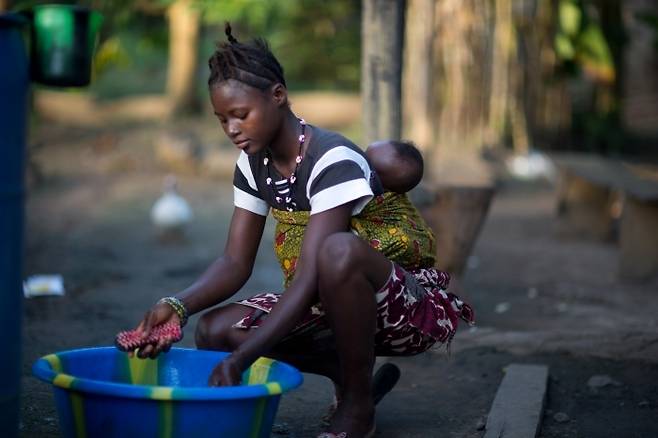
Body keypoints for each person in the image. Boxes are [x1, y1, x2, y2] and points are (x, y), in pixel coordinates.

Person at [131, 24, 473, 438]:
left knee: (338, 251)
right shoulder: (252, 166)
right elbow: (234, 262)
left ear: (278, 96)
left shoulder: (332, 159)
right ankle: (340, 366)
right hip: (324, 303)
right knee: (215, 331)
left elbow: (312, 272)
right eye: (222, 119)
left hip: (402, 304)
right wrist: (177, 306)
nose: (232, 129)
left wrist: (244, 360)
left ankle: (358, 405)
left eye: (241, 115)